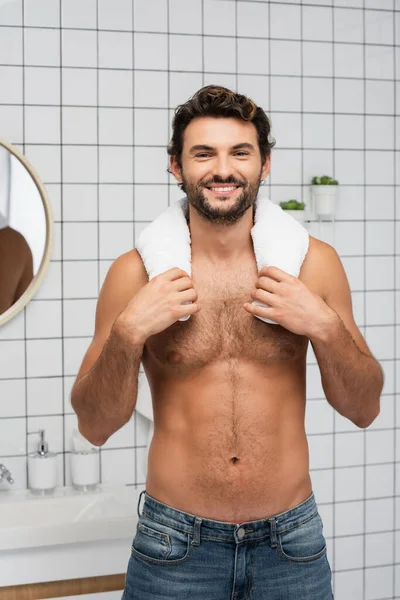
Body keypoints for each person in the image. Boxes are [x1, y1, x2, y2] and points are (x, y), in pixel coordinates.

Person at [70, 85, 383, 599]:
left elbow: (365, 408)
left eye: (240, 152)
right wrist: (128, 334)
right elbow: (94, 425)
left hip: (292, 545)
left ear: (265, 165)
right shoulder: (136, 276)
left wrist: (323, 326)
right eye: (203, 153)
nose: (223, 169)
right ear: (176, 166)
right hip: (174, 546)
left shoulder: (313, 265)